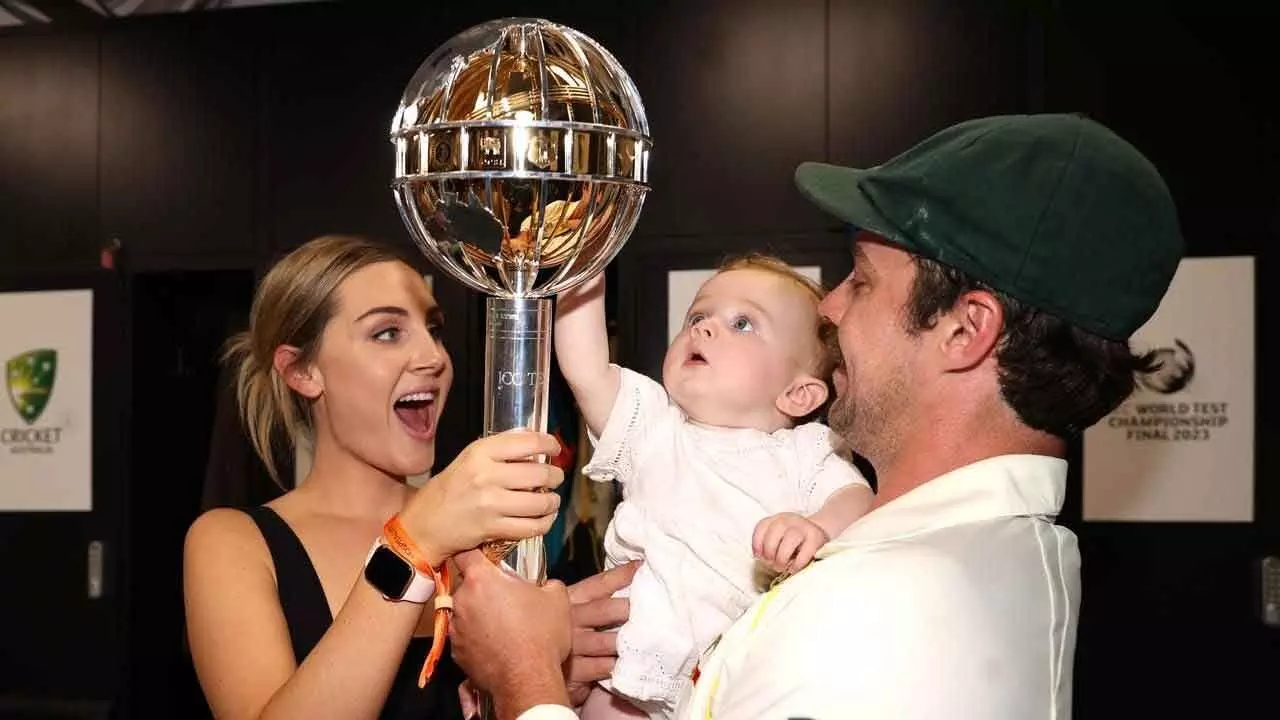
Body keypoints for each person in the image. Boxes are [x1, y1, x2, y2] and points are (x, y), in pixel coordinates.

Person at [446, 112, 1186, 719]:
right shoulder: (973, 560)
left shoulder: (884, 620)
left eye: (861, 283)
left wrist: (523, 678)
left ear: (967, 330)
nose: (830, 307)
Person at [182, 234, 571, 719]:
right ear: (303, 371)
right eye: (387, 333)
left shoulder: (477, 532)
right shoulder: (233, 542)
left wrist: (558, 673)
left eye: (435, 329)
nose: (435, 357)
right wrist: (412, 545)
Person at [553, 254, 874, 718]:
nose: (702, 329)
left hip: (740, 685)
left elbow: (858, 499)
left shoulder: (807, 451)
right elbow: (587, 371)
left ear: (799, 394)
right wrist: (583, 270)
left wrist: (818, 526)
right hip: (629, 675)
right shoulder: (656, 429)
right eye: (697, 316)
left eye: (743, 323)